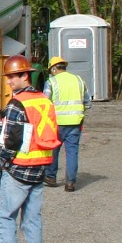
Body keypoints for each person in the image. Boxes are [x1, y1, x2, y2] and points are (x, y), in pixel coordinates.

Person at [0, 54, 61, 243]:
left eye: (12, 77)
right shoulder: (44, 101)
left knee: (5, 218)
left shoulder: (17, 104)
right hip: (40, 167)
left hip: (18, 169)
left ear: (24, 75)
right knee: (32, 222)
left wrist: (4, 163)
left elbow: (12, 139)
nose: (9, 81)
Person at [43, 55, 89, 191]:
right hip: (75, 122)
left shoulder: (51, 82)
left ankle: (51, 177)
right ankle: (70, 182)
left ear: (54, 69)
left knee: (53, 150)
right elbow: (87, 102)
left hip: (56, 122)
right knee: (72, 152)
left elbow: (45, 102)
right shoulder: (79, 80)